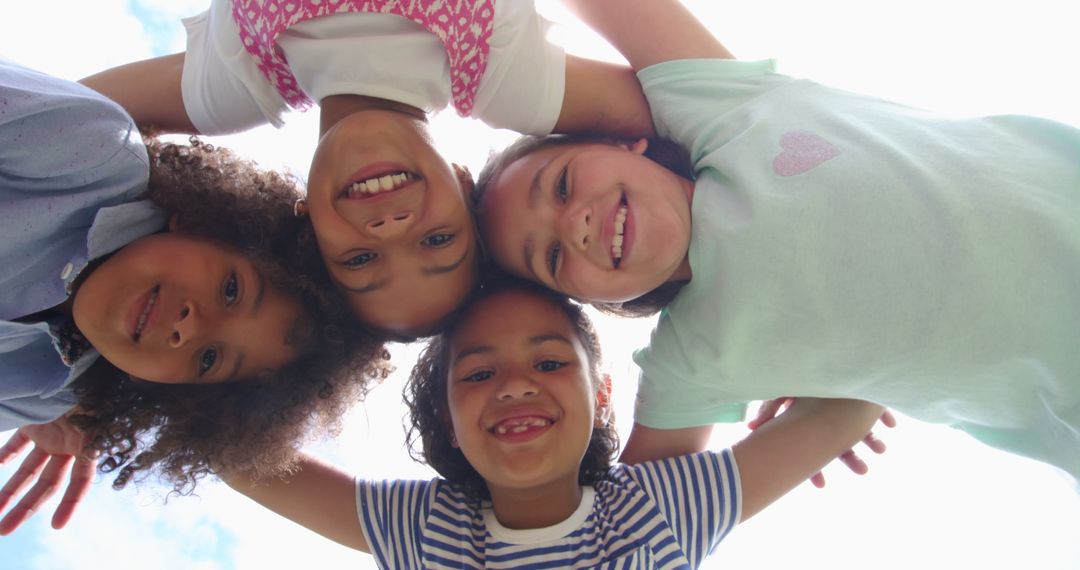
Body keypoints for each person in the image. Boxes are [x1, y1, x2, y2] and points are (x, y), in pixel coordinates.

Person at [472, 0, 1080, 479]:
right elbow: (641, 518)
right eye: (551, 257)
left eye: (561, 185)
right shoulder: (692, 361)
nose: (574, 224)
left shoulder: (720, 110)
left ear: (618, 140)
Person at [81, 0, 655, 339]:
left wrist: (71, 383)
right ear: (462, 183)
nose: (390, 230)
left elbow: (50, 117)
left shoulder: (234, 87)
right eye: (437, 239)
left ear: (308, 222)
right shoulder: (502, 75)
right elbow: (715, 113)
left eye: (359, 259)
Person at [225, 277, 885, 568]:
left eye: (547, 361)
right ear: (449, 425)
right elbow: (233, 456)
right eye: (478, 374)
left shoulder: (656, 512)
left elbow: (855, 401)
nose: (515, 385)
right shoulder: (429, 528)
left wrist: (804, 377)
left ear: (601, 396)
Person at [0, 60, 390, 534]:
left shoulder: (40, 393)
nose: (189, 327)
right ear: (210, 228)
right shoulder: (93, 154)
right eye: (231, 290)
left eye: (208, 359)